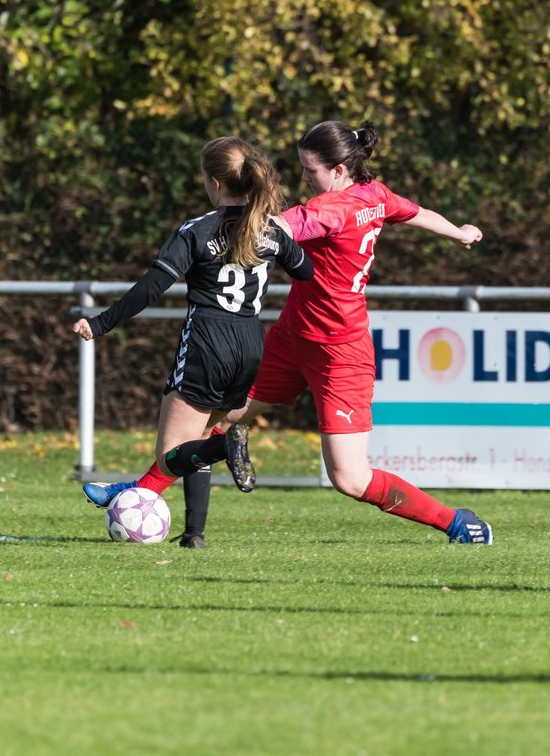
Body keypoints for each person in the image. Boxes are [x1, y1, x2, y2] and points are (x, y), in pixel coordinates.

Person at [102, 120, 492, 544]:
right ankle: (141, 493)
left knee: (350, 477)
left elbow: (277, 228)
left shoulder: (328, 211)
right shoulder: (374, 195)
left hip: (340, 352)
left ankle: (456, 521)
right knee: (217, 418)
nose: (305, 177)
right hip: (291, 338)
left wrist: (219, 225)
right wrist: (457, 231)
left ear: (340, 169)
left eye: (312, 170)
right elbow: (413, 211)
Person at [75, 137, 312, 548]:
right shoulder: (269, 229)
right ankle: (194, 535)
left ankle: (223, 447)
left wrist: (100, 324)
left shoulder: (197, 230)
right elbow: (305, 271)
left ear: (216, 182)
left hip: (207, 339)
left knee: (175, 454)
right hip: (250, 343)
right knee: (197, 441)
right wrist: (279, 237)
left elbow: (150, 289)